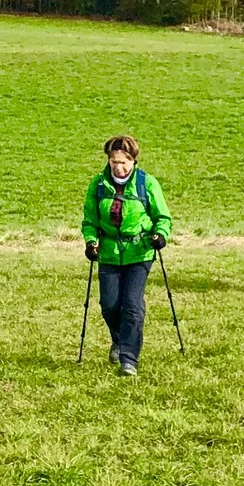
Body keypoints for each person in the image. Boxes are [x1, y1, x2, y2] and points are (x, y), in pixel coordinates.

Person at [81, 135, 173, 377]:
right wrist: (91, 242)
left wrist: (160, 235)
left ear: (133, 161)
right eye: (113, 162)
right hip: (109, 253)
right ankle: (119, 340)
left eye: (124, 161)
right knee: (109, 306)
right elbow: (90, 220)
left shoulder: (147, 183)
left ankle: (128, 359)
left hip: (140, 252)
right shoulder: (98, 185)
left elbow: (163, 217)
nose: (118, 167)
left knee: (132, 305)